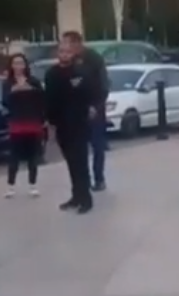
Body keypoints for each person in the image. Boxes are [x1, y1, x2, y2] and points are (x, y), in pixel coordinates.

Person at [45, 41, 95, 214]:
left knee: (80, 162)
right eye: (61, 51)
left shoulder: (81, 73)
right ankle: (76, 196)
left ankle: (86, 198)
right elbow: (50, 99)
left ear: (73, 54)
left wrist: (92, 107)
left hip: (79, 123)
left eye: (68, 51)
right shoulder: (52, 74)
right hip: (61, 125)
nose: (64, 54)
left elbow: (90, 94)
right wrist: (50, 122)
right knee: (71, 162)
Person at [61, 31, 110, 191]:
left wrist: (96, 106)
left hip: (94, 108)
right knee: (78, 147)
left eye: (67, 43)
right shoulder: (69, 61)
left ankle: (99, 178)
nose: (65, 47)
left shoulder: (94, 59)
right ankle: (83, 180)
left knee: (97, 145)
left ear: (77, 43)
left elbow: (104, 85)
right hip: (77, 110)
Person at [2, 53, 46, 198]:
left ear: (25, 65)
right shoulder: (7, 83)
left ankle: (33, 185)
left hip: (33, 122)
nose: (18, 66)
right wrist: (15, 90)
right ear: (11, 66)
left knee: (33, 155)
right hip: (17, 123)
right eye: (15, 63)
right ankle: (10, 186)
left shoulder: (33, 81)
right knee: (14, 155)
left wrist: (29, 89)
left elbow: (41, 98)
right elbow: (5, 102)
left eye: (21, 63)